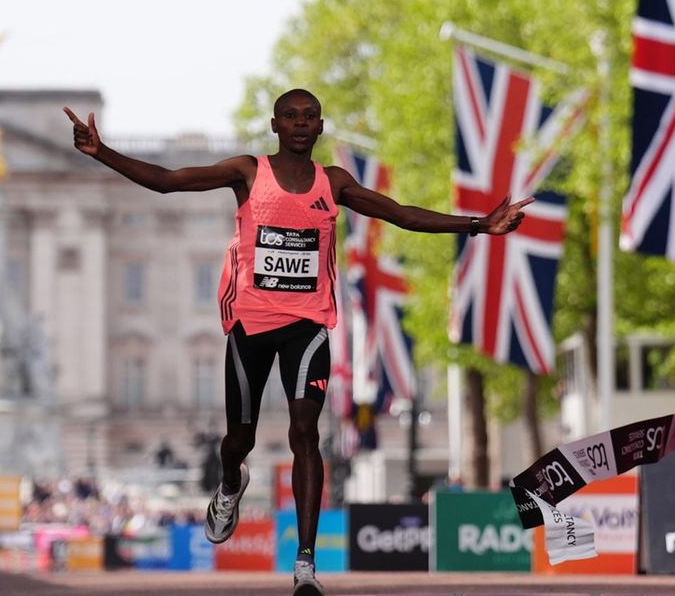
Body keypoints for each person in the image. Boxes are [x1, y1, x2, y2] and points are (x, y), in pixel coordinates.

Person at [64, 89, 531, 596]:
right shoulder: (247, 172)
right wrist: (101, 151)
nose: (301, 124)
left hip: (308, 326)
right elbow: (170, 182)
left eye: (310, 117)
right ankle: (229, 483)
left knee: (304, 430)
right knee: (237, 441)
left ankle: (305, 564)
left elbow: (400, 214)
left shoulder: (334, 183)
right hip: (250, 326)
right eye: (291, 116)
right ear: (275, 125)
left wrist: (479, 225)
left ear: (321, 127)